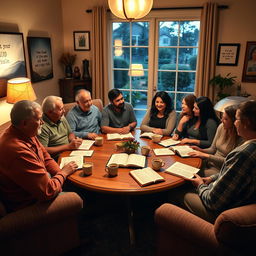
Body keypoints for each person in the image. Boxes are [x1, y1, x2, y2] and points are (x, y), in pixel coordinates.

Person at [183, 100, 256, 223]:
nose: (235, 123)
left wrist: (200, 184)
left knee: (178, 193)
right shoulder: (248, 149)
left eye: (236, 119)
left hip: (224, 213)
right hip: (228, 197)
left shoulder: (243, 153)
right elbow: (233, 172)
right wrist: (212, 178)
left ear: (246, 123)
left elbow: (212, 201)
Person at [0, 100, 78, 212]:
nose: (42, 122)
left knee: (74, 182)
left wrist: (59, 174)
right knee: (81, 195)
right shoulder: (17, 151)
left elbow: (46, 156)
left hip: (44, 183)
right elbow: (48, 192)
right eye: (38, 119)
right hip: (30, 202)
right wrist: (64, 173)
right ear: (24, 123)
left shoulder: (26, 132)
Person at [188, 105, 243, 176]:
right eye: (222, 117)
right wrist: (200, 150)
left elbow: (229, 162)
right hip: (209, 162)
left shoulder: (240, 138)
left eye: (226, 119)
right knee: (187, 165)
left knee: (191, 174)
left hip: (220, 169)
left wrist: (206, 156)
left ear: (234, 121)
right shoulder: (221, 127)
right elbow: (212, 149)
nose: (222, 120)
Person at [38, 96, 82, 160]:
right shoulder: (42, 126)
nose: (64, 111)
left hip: (70, 152)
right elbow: (43, 150)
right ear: (50, 112)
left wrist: (73, 141)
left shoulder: (61, 117)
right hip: (57, 158)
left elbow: (70, 133)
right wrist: (68, 146)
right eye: (61, 109)